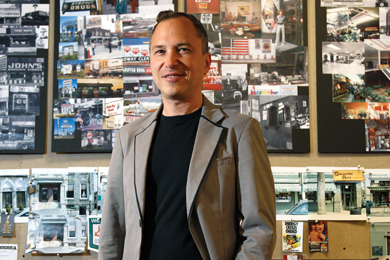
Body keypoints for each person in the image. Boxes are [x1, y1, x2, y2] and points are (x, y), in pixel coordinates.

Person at [99, 11, 275, 260]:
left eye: (182, 49)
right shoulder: (129, 137)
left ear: (206, 63)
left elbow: (260, 230)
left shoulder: (240, 131)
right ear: (151, 62)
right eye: (160, 51)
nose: (170, 61)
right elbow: (112, 230)